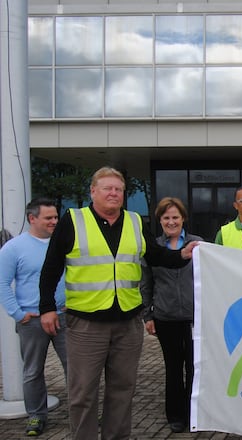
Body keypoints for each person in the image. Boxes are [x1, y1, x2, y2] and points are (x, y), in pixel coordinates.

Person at [39, 166, 198, 440]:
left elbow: (157, 255)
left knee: (122, 391)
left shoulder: (135, 221)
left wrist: (182, 255)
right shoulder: (73, 220)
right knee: (83, 394)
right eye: (107, 188)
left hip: (127, 324)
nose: (113, 193)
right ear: (93, 191)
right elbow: (51, 267)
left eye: (119, 189)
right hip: (86, 324)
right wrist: (47, 308)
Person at [0, 198, 67, 436]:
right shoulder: (13, 248)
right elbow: (2, 283)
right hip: (32, 320)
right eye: (48, 218)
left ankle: (83, 411)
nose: (54, 222)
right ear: (32, 218)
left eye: (56, 217)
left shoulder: (62, 244)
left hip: (63, 317)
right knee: (33, 371)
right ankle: (36, 416)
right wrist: (18, 314)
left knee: (76, 369)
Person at [140, 197, 203, 433]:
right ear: (160, 220)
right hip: (166, 318)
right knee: (173, 368)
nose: (171, 221)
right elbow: (145, 284)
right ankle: (175, 415)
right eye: (166, 218)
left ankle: (194, 412)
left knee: (195, 367)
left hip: (195, 318)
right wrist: (148, 316)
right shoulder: (153, 248)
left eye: (175, 217)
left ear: (183, 218)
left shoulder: (197, 244)